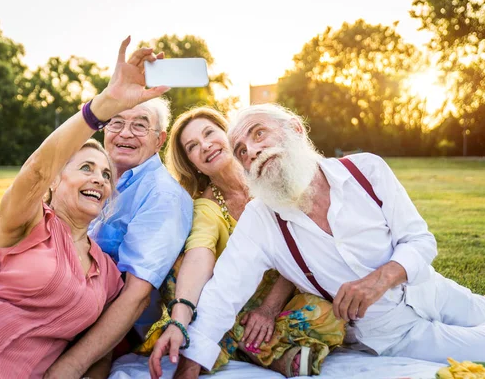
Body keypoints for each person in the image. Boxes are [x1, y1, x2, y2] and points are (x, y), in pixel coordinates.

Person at [166, 103, 485, 377]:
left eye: (259, 135)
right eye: (241, 150)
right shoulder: (262, 220)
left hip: (432, 289)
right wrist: (190, 364)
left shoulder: (366, 170)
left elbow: (420, 241)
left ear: (294, 130)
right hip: (393, 332)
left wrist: (379, 279)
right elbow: (222, 293)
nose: (251, 151)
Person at [0, 37, 170, 378]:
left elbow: (102, 345)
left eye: (105, 174)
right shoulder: (29, 220)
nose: (98, 178)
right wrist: (103, 106)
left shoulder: (107, 275)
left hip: (5, 371)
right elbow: (38, 168)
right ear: (55, 181)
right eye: (85, 168)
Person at [144, 107, 345, 379]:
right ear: (192, 163)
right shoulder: (206, 207)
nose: (205, 146)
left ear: (229, 135)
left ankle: (240, 344)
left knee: (328, 314)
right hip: (232, 298)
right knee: (183, 274)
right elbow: (199, 252)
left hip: (283, 289)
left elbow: (299, 247)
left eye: (209, 133)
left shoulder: (273, 174)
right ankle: (256, 349)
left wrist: (269, 309)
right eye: (192, 146)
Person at [44, 74, 193, 378]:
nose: (126, 132)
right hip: (60, 283)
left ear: (159, 139)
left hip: (107, 326)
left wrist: (74, 364)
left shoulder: (161, 196)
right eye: (116, 122)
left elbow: (136, 297)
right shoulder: (106, 178)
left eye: (140, 124)